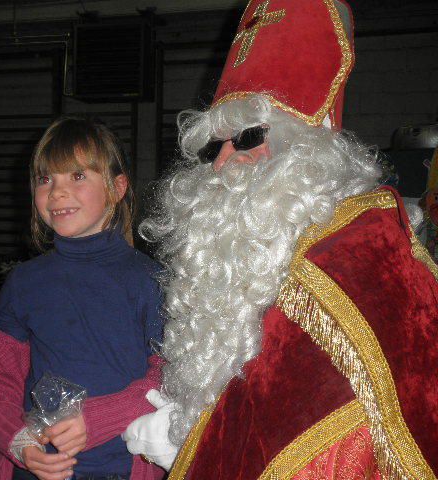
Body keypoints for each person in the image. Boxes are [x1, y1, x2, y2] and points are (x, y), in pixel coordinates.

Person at [123, 0, 438, 478]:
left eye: (248, 137)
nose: (224, 161)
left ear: (310, 146)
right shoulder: (255, 250)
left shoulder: (359, 257)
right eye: (215, 145)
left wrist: (200, 451)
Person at [0, 116, 166, 480]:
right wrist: (18, 442)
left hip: (117, 469)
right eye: (45, 179)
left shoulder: (150, 281)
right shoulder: (25, 282)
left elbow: (170, 378)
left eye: (77, 176)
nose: (56, 192)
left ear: (117, 187)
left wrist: (99, 417)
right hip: (34, 470)